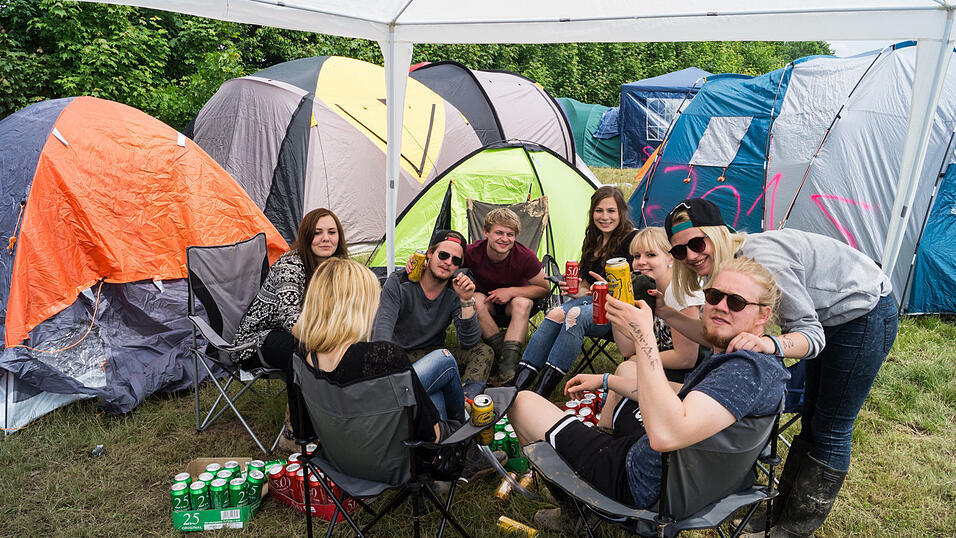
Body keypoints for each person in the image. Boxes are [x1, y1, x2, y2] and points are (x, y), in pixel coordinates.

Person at [659, 198, 899, 537]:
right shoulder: (726, 269)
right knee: (812, 419)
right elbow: (715, 335)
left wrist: (771, 344)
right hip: (825, 314)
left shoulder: (762, 261)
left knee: (830, 427)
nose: (692, 256)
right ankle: (781, 512)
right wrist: (665, 313)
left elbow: (811, 334)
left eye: (697, 243)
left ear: (717, 234)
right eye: (680, 252)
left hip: (863, 311)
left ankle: (794, 529)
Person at [507, 257, 789, 531]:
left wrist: (644, 335)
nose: (720, 307)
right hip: (686, 478)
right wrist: (608, 380)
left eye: (736, 302)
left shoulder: (745, 371)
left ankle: (573, 513)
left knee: (521, 403)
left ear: (763, 315)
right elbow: (687, 398)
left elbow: (665, 434)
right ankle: (597, 440)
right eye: (714, 296)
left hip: (640, 485)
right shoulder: (757, 362)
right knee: (627, 374)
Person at [292, 258, 500, 480]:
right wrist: (457, 428)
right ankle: (460, 456)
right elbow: (430, 434)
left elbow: (303, 431)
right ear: (358, 306)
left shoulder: (301, 356)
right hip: (393, 463)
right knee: (444, 391)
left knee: (435, 381)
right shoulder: (384, 358)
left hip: (338, 460)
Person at [232, 207, 348, 443]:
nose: (326, 238)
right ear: (306, 237)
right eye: (317, 233)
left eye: (331, 232)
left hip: (303, 334)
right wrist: (327, 343)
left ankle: (338, 421)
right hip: (257, 340)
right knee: (305, 352)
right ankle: (296, 434)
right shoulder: (292, 265)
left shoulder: (338, 266)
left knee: (345, 348)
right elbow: (290, 319)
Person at [572, 226, 703, 433]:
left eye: (651, 254)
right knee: (626, 366)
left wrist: (638, 358)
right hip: (675, 369)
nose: (641, 261)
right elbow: (626, 350)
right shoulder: (649, 290)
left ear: (671, 259)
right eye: (636, 256)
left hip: (694, 376)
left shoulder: (680, 294)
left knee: (627, 369)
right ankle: (604, 432)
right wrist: (615, 303)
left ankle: (603, 433)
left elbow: (686, 358)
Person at [510, 186, 638, 396]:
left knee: (574, 315)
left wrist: (594, 295)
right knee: (555, 312)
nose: (604, 217)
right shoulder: (593, 238)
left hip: (617, 310)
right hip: (591, 302)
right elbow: (588, 286)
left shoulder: (631, 240)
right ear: (592, 212)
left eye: (611, 211)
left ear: (621, 212)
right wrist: (580, 290)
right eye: (599, 211)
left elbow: (635, 285)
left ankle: (542, 392)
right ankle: (517, 387)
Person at [372, 229, 495, 399]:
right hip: (398, 356)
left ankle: (466, 401)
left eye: (455, 260)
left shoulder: (456, 289)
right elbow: (382, 332)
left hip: (435, 355)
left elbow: (469, 342)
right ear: (430, 253)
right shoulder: (400, 281)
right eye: (443, 255)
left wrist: (466, 301)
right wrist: (384, 362)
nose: (448, 262)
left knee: (484, 351)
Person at [464, 208, 550, 384]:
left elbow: (544, 288)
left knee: (522, 303)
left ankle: (507, 372)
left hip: (514, 305)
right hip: (486, 305)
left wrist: (510, 291)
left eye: (510, 234)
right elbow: (444, 261)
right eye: (499, 233)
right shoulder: (472, 252)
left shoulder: (525, 256)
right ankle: (504, 358)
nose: (504, 239)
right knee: (475, 300)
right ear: (486, 232)